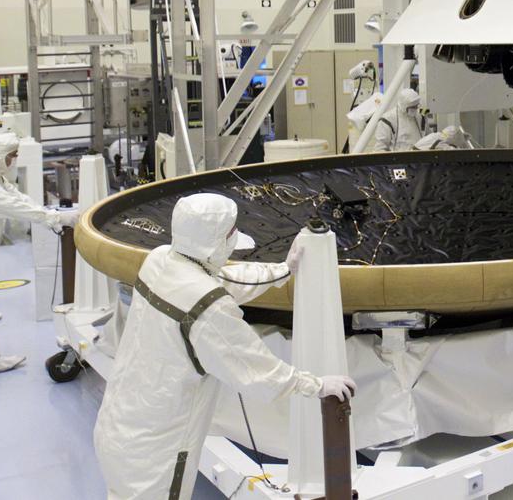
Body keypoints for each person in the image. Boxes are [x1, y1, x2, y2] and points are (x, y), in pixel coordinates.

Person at [94, 192, 355, 499]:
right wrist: (317, 385)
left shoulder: (160, 259)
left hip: (117, 425)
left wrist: (283, 269)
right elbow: (256, 370)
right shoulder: (208, 307)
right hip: (157, 450)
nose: (234, 239)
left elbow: (221, 281)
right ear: (215, 242)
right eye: (231, 233)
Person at [0, 131, 76, 383]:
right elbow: (11, 206)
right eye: (10, 156)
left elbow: (16, 196)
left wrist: (48, 213)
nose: (13, 161)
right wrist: (53, 218)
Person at [374, 87, 423, 152]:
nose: (416, 109)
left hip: (420, 156)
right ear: (403, 106)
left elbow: (428, 137)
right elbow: (380, 148)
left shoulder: (420, 117)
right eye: (413, 107)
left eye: (416, 106)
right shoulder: (387, 120)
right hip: (397, 157)